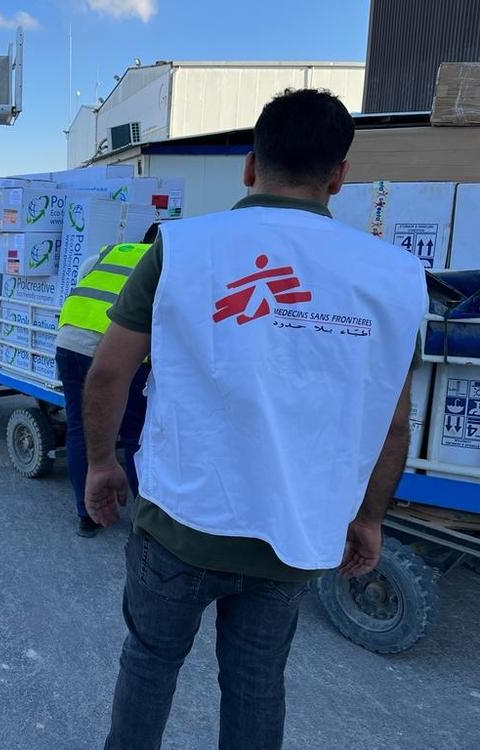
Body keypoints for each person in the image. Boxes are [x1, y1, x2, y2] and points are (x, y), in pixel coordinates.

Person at [82, 89, 426, 749]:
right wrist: (369, 517)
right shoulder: (394, 277)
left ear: (248, 166)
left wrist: (101, 464)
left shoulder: (181, 250)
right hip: (293, 531)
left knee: (150, 663)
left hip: (180, 521)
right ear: (339, 176)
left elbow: (107, 371)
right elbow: (393, 424)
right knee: (257, 681)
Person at [55, 226, 158, 538]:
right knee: (135, 435)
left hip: (70, 337)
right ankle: (145, 521)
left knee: (79, 428)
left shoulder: (111, 250)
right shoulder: (168, 259)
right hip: (117, 348)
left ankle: (86, 515)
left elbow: (84, 279)